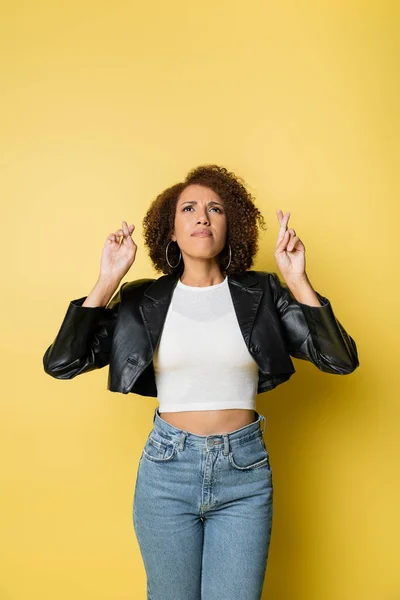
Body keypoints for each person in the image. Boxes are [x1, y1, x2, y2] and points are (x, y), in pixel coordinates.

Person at [43, 164, 359, 600]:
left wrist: (298, 279)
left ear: (233, 228)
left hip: (244, 474)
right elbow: (62, 363)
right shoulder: (142, 300)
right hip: (167, 472)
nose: (202, 217)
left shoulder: (263, 292)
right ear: (171, 230)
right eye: (188, 208)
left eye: (216, 209)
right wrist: (107, 280)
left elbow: (339, 360)